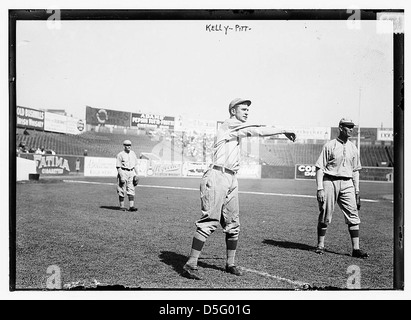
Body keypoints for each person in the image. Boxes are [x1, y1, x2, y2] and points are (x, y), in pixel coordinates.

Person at [182, 98, 296, 280]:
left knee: (233, 224)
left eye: (248, 110)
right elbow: (256, 129)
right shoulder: (230, 124)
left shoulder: (236, 129)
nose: (246, 112)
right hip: (217, 175)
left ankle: (230, 264)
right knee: (210, 221)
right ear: (233, 111)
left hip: (231, 178)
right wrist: (282, 130)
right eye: (243, 109)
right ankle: (191, 263)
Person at [314, 117, 368, 258]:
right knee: (325, 213)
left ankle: (356, 249)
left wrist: (357, 191)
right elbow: (319, 168)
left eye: (352, 126)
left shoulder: (353, 147)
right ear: (340, 127)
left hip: (347, 183)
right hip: (330, 181)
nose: (351, 129)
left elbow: (356, 170)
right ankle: (320, 245)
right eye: (348, 126)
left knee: (353, 215)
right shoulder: (329, 145)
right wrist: (320, 188)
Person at [116, 139, 139, 212]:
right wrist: (121, 176)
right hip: (123, 171)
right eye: (127, 145)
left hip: (131, 172)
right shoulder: (120, 154)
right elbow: (118, 167)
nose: (128, 147)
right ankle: (122, 206)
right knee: (122, 189)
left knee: (131, 189)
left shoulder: (133, 153)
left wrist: (137, 174)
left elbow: (135, 165)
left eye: (129, 145)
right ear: (124, 146)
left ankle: (131, 206)